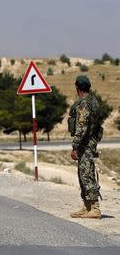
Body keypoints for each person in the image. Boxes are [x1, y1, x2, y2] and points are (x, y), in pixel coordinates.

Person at [68, 75, 103, 219]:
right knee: (83, 174)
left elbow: (82, 127)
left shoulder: (84, 104)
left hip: (85, 144)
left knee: (87, 174)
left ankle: (95, 208)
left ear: (77, 88)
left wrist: (75, 146)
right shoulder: (93, 101)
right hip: (89, 141)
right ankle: (87, 206)